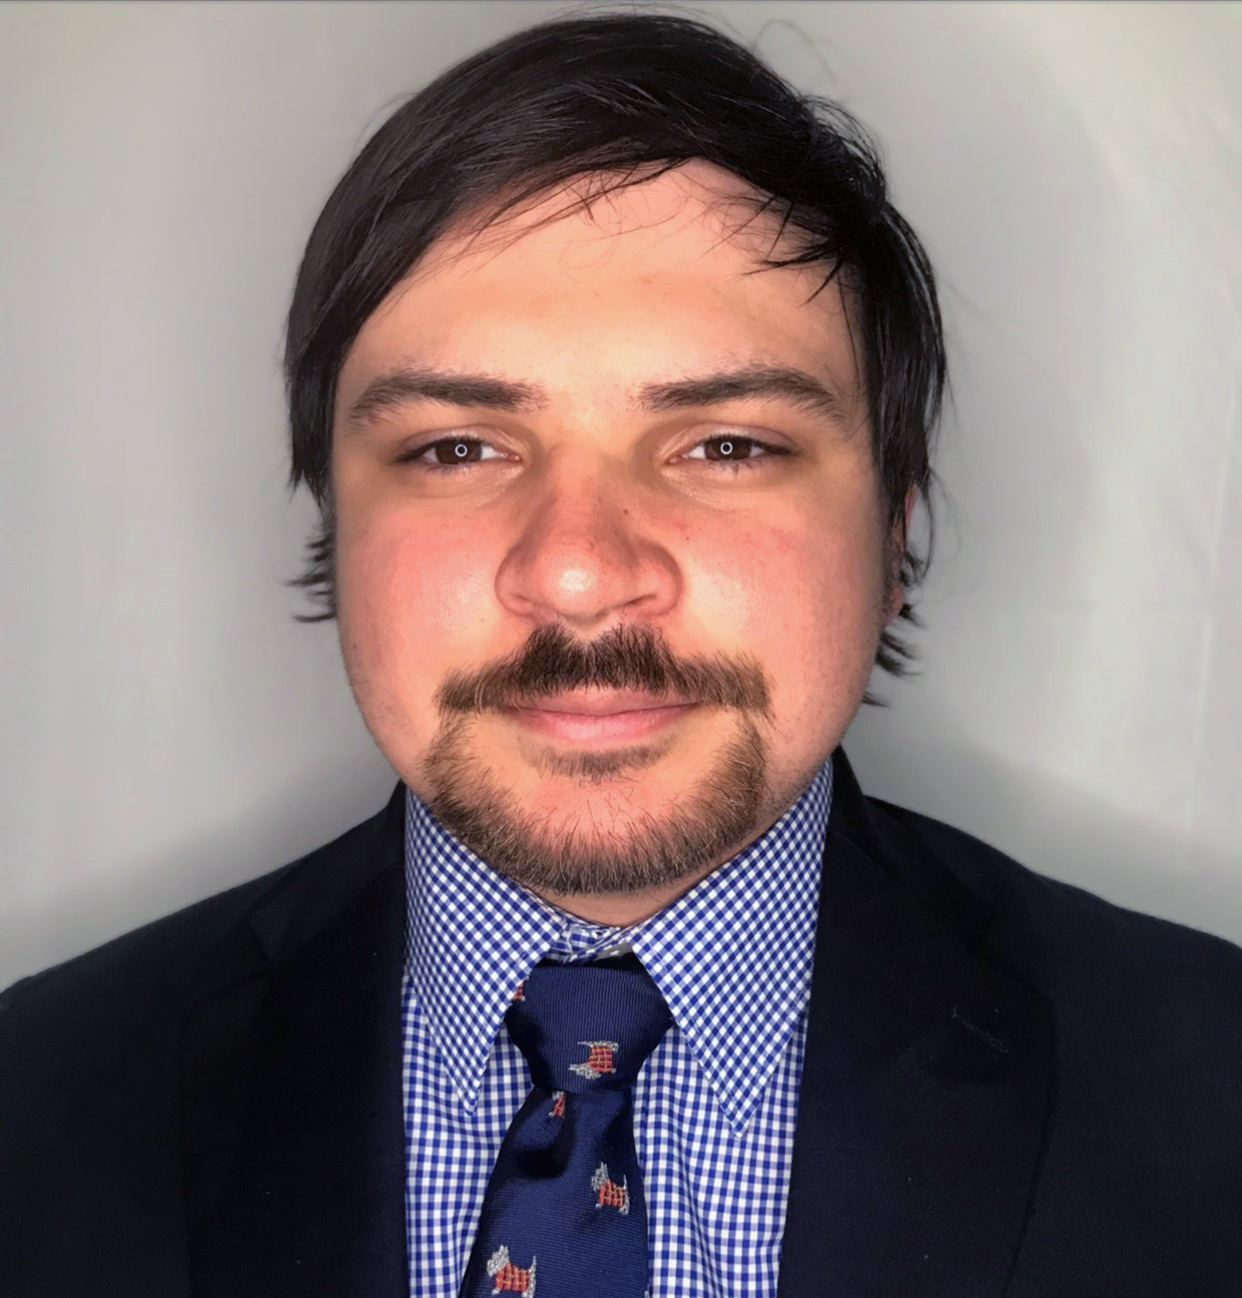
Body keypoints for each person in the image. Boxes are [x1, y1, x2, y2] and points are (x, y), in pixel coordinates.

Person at [2, 10, 1239, 1296]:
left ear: (892, 532)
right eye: (455, 448)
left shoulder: (1217, 1097)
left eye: (727, 444)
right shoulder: (38, 1093)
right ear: (340, 520)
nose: (583, 570)